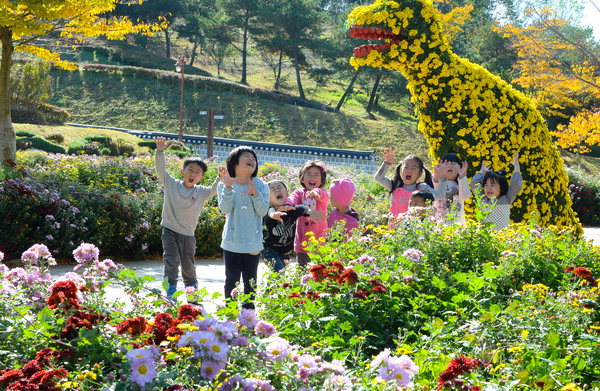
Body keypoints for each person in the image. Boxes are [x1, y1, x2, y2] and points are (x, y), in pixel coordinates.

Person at [154, 136, 219, 300]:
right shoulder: (171, 184)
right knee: (171, 261)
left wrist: (221, 177)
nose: (193, 174)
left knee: (188, 265)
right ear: (183, 172)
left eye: (197, 172)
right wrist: (160, 151)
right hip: (169, 230)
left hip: (188, 235)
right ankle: (170, 291)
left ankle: (191, 292)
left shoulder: (201, 191)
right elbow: (161, 170)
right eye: (190, 170)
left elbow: (214, 190)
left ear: (201, 177)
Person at [218, 146, 269, 309]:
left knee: (250, 282)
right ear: (234, 162)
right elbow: (225, 209)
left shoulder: (260, 184)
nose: (251, 160)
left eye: (253, 158)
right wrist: (227, 189)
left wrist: (255, 194)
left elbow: (263, 211)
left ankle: (249, 314)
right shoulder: (225, 183)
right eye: (246, 156)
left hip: (252, 243)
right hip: (231, 243)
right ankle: (230, 313)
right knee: (231, 280)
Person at [263, 180, 323, 272]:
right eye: (272, 189)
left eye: (279, 187)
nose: (277, 190)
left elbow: (300, 208)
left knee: (278, 276)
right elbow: (269, 212)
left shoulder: (291, 210)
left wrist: (310, 212)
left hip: (285, 252)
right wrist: (273, 215)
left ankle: (271, 286)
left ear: (287, 193)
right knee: (279, 273)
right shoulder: (270, 209)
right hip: (270, 251)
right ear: (267, 197)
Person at [287, 160, 329, 267]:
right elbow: (291, 200)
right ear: (302, 178)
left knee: (319, 273)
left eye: (316, 175)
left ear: (321, 180)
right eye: (308, 174)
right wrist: (287, 204)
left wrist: (316, 192)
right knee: (302, 270)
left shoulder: (323, 193)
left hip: (319, 242)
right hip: (302, 243)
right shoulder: (299, 193)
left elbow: (322, 195)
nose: (312, 178)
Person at [374, 148, 436, 219]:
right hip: (395, 225)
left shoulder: (422, 188)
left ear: (420, 173)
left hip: (414, 226)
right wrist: (387, 163)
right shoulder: (395, 185)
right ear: (401, 170)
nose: (409, 171)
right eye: (406, 167)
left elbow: (438, 197)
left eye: (413, 168)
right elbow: (378, 178)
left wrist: (438, 177)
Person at [471, 152, 523, 230]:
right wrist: (482, 171)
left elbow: (516, 184)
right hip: (485, 238)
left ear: (501, 187)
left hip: (501, 238)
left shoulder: (506, 199)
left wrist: (516, 167)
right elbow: (474, 184)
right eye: (486, 185)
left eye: (492, 185)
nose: (488, 188)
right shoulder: (482, 199)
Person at [433, 152, 471, 224]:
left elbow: (465, 196)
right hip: (439, 224)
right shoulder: (437, 180)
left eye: (453, 164)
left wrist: (462, 177)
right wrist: (438, 177)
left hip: (457, 224)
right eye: (446, 164)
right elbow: (436, 195)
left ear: (460, 167)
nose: (450, 167)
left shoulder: (460, 182)